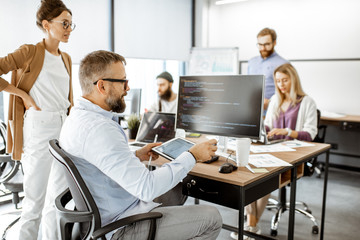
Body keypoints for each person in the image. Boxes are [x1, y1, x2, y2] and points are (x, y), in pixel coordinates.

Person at [59, 50, 223, 240]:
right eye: (123, 82)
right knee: (213, 218)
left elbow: (98, 161)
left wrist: (134, 156)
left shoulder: (77, 118)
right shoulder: (100, 129)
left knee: (176, 190)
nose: (128, 88)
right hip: (120, 226)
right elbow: (147, 188)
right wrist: (193, 155)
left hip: (109, 211)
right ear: (102, 86)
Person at [0, 1, 74, 239]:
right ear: (46, 24)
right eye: (64, 23)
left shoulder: (67, 58)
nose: (68, 29)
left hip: (63, 128)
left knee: (57, 201)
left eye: (71, 24)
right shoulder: (30, 52)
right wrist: (22, 95)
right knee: (34, 203)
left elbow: (66, 98)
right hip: (39, 127)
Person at [231, 63, 317, 240]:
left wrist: (288, 132)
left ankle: (250, 226)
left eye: (285, 80)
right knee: (247, 172)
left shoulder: (307, 102)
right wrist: (261, 130)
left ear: (293, 80)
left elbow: (310, 134)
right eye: (278, 81)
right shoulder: (276, 101)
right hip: (272, 150)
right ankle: (251, 226)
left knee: (265, 178)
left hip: (294, 155)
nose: (281, 85)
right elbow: (268, 125)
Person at [248, 27, 288, 110]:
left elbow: (289, 94)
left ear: (274, 42)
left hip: (273, 112)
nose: (263, 48)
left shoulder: (283, 64)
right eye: (260, 44)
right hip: (252, 111)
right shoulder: (252, 62)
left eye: (266, 44)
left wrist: (270, 102)